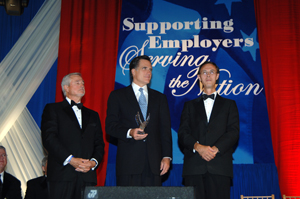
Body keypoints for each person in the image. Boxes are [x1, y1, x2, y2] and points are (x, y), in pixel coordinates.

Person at [105, 55, 172, 186]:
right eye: (144, 68)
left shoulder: (160, 98)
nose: (149, 72)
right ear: (133, 71)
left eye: (151, 69)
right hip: (128, 163)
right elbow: (110, 126)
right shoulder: (117, 96)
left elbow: (165, 130)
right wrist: (129, 132)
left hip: (154, 163)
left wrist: (166, 156)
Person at [178, 61, 239, 199]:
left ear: (217, 76)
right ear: (199, 77)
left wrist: (215, 149)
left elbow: (233, 132)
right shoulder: (189, 106)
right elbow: (182, 133)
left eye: (211, 72)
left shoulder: (230, 105)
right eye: (204, 72)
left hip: (220, 167)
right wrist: (198, 147)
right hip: (194, 167)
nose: (208, 75)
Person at [41, 72, 105, 199]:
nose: (82, 85)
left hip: (87, 177)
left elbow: (99, 143)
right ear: (66, 88)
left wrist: (93, 163)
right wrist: (70, 160)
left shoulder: (93, 115)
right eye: (77, 82)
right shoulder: (53, 109)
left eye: (83, 83)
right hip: (62, 176)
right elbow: (49, 139)